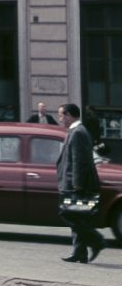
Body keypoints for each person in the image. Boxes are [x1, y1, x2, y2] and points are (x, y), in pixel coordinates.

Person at [56, 103, 105, 264]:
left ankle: (97, 241)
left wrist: (76, 184)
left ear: (69, 115)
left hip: (74, 184)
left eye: (61, 115)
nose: (60, 118)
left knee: (68, 214)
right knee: (79, 217)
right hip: (73, 182)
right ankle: (79, 253)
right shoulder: (77, 131)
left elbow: (78, 160)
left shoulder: (78, 132)